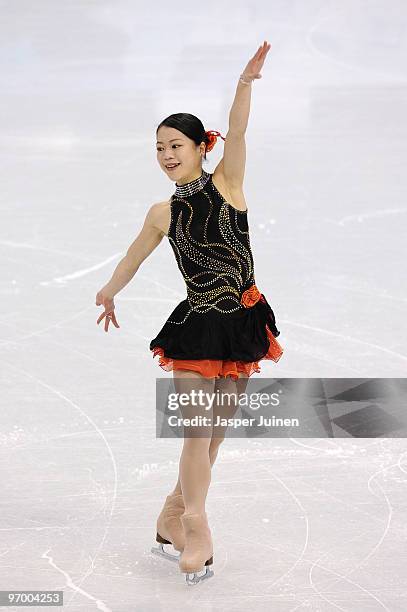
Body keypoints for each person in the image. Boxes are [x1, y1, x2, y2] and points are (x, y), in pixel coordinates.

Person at [95, 40, 283, 586]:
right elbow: (133, 257)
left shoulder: (229, 184)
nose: (166, 155)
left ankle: (170, 514)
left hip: (243, 323)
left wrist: (244, 85)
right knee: (197, 433)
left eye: (175, 144)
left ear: (202, 147)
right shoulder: (162, 212)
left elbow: (240, 132)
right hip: (196, 326)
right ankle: (195, 523)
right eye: (158, 148)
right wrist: (109, 290)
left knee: (216, 433)